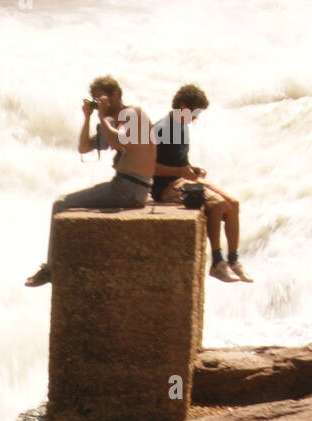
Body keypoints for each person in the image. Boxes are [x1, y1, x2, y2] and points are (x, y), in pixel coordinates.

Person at [25, 75, 156, 288]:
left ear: (115, 95)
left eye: (101, 98)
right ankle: (60, 264)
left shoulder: (134, 113)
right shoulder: (114, 122)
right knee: (65, 203)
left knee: (60, 204)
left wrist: (103, 116)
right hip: (131, 188)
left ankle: (51, 269)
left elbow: (118, 140)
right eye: (95, 100)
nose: (98, 104)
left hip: (128, 187)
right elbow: (84, 148)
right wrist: (88, 118)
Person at [152, 84, 252, 282]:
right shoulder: (162, 128)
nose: (196, 118)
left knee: (233, 204)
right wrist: (180, 171)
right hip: (165, 187)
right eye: (195, 112)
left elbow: (179, 161)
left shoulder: (182, 127)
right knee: (215, 204)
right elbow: (148, 167)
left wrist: (192, 168)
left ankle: (233, 260)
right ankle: (217, 262)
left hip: (182, 179)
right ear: (182, 106)